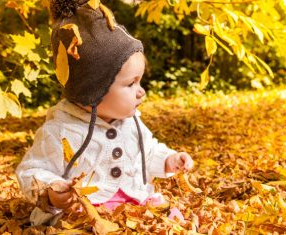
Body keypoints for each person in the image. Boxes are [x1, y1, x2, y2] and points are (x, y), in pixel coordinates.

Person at [16, 0, 194, 223]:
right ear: (93, 91)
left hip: (132, 203)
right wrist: (52, 192)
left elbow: (148, 151)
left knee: (164, 214)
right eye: (131, 84)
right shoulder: (60, 130)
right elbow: (31, 170)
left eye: (140, 82)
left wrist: (169, 159)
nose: (141, 92)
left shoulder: (132, 123)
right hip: (84, 212)